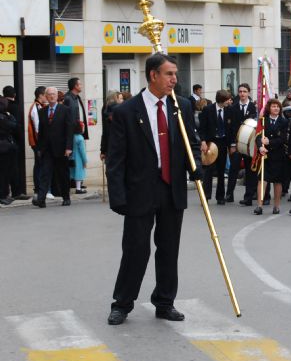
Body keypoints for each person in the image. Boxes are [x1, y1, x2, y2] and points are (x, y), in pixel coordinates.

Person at [106, 53, 201, 326]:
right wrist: (118, 197)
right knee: (136, 249)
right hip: (140, 190)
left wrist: (196, 166)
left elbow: (190, 143)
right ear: (153, 75)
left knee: (169, 249)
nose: (174, 79)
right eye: (169, 74)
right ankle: (122, 304)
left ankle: (165, 301)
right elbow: (116, 160)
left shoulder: (181, 106)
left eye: (175, 74)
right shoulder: (126, 111)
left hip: (172, 188)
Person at [32, 87, 74, 208]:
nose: (51, 96)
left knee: (62, 174)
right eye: (49, 94)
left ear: (57, 96)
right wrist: (39, 148)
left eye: (53, 94)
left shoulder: (65, 110)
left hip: (61, 149)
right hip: (47, 149)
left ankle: (66, 197)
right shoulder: (42, 111)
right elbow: (41, 132)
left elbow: (69, 130)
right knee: (45, 173)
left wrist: (68, 147)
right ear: (45, 96)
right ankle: (41, 199)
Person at [254, 99, 289, 215]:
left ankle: (276, 206)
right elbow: (258, 136)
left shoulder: (284, 122)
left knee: (277, 182)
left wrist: (270, 142)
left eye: (278, 107)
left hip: (278, 155)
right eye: (274, 106)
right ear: (269, 108)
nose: (276, 108)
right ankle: (259, 205)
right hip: (265, 155)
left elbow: (283, 139)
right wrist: (260, 147)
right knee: (262, 180)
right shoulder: (263, 120)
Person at [199, 90, 233, 204]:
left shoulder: (229, 110)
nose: (229, 101)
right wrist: (203, 141)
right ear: (222, 100)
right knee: (208, 170)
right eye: (227, 100)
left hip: (223, 142)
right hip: (210, 142)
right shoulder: (208, 110)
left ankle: (220, 196)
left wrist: (231, 145)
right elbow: (202, 127)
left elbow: (231, 129)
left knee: (221, 170)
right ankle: (206, 196)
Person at [227, 83, 258, 205]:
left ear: (249, 93)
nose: (242, 94)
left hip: (249, 146)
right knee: (233, 170)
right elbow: (229, 128)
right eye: (240, 91)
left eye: (244, 91)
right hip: (236, 145)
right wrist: (232, 145)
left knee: (250, 172)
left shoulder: (254, 108)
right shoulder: (232, 108)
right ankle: (229, 195)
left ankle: (248, 197)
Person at [28, 86, 47, 200]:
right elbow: (37, 127)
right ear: (40, 95)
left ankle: (40, 188)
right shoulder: (36, 107)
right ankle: (38, 189)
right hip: (37, 142)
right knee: (39, 165)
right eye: (45, 94)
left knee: (41, 164)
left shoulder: (40, 106)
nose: (47, 97)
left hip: (39, 141)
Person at [0, 98, 18, 205]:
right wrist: (10, 115)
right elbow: (13, 125)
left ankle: (5, 194)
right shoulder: (3, 117)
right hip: (4, 147)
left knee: (5, 173)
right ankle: (2, 195)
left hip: (5, 146)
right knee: (4, 173)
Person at [69, 120, 88, 194]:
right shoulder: (80, 138)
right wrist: (85, 161)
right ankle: (78, 188)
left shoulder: (71, 136)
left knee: (71, 173)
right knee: (79, 173)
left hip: (71, 158)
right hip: (79, 159)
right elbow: (82, 151)